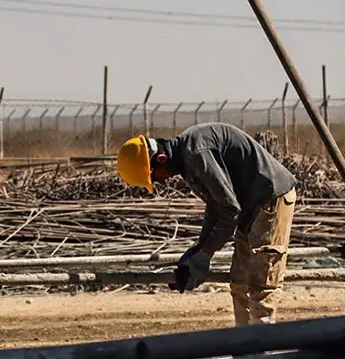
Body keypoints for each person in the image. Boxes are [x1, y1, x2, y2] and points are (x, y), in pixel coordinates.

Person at [116, 123, 298, 326]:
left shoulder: (196, 154)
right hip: (249, 205)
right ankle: (245, 349)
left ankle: (262, 352)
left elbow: (230, 210)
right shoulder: (187, 159)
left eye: (155, 178)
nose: (160, 182)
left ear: (160, 159)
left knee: (261, 284)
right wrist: (199, 250)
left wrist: (205, 255)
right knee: (239, 283)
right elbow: (216, 206)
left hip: (270, 198)